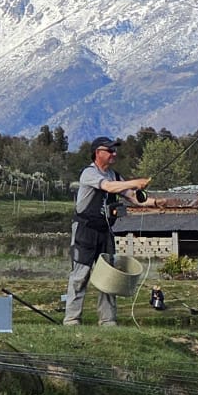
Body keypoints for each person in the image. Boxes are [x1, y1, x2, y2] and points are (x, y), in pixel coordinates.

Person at [66, 137, 153, 327]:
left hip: (106, 231)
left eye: (115, 150)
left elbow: (134, 199)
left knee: (109, 276)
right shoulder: (89, 173)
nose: (114, 153)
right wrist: (134, 182)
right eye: (110, 150)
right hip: (84, 230)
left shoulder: (116, 176)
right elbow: (107, 187)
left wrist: (157, 202)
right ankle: (72, 319)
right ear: (98, 152)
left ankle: (108, 320)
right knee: (80, 275)